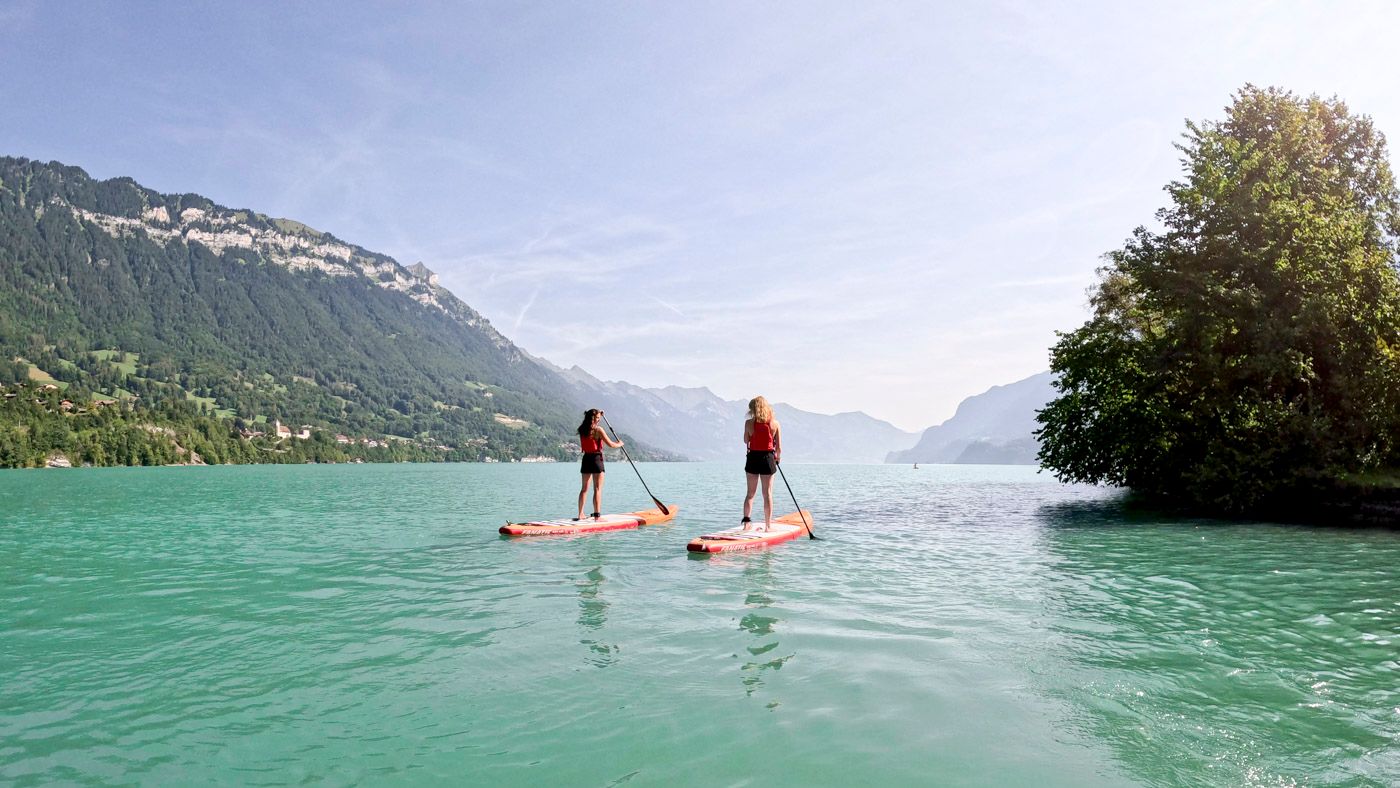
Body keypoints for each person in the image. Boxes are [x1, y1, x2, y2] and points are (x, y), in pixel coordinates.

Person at [741, 396, 781, 531]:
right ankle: (768, 526)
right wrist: (777, 458)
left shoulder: (748, 423)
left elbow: (746, 440)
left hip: (753, 458)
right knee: (767, 494)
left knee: (750, 494)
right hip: (768, 459)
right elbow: (779, 448)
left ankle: (746, 524)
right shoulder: (774, 424)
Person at [576, 408, 623, 520]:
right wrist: (620, 444)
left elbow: (591, 421)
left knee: (584, 489)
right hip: (596, 459)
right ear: (593, 418)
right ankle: (597, 516)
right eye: (597, 418)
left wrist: (599, 414)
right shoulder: (598, 430)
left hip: (586, 459)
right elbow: (611, 444)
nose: (599, 420)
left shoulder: (582, 429)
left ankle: (581, 514)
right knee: (597, 489)